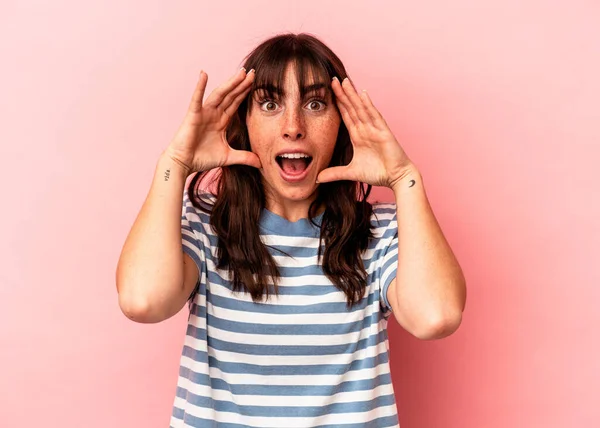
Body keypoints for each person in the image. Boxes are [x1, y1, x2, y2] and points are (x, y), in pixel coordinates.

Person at [116, 33, 466, 427]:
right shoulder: (205, 222)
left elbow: (436, 316)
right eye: (269, 104)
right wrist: (176, 162)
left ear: (343, 125)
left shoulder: (382, 231)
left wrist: (404, 177)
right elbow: (143, 301)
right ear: (244, 122)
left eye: (316, 104)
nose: (293, 127)